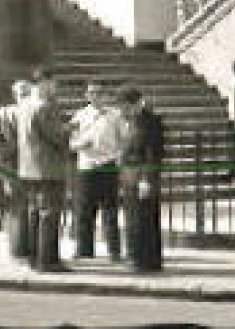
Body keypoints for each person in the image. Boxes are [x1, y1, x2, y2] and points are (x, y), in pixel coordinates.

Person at [16, 68, 70, 272]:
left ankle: (34, 258)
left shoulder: (24, 106)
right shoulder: (44, 107)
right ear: (44, 83)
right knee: (49, 214)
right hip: (47, 168)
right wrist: (69, 131)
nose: (55, 88)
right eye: (54, 83)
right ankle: (47, 260)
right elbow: (56, 137)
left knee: (34, 213)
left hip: (28, 168)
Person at [68, 82, 123, 261]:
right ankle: (84, 250)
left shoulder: (115, 115)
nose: (96, 96)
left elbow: (123, 140)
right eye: (92, 93)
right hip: (87, 166)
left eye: (100, 92)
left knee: (110, 210)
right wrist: (80, 145)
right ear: (86, 95)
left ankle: (114, 251)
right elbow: (70, 141)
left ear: (106, 95)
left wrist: (117, 158)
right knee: (84, 210)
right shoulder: (80, 115)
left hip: (108, 165)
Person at [0, 79, 32, 261]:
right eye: (21, 93)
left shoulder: (36, 110)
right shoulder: (4, 114)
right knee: (17, 208)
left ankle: (28, 248)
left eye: (27, 93)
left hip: (33, 167)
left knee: (28, 208)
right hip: (11, 167)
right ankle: (18, 249)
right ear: (15, 95)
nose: (24, 96)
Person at [116, 85, 166, 272]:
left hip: (141, 177)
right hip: (131, 176)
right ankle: (141, 258)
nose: (122, 110)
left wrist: (146, 179)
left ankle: (143, 260)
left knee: (142, 219)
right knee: (136, 218)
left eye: (124, 106)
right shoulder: (134, 121)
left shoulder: (149, 122)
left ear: (135, 104)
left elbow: (152, 154)